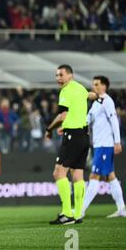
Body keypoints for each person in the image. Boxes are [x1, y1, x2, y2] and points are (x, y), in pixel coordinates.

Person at [44, 64, 90, 225]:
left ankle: (67, 214)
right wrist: (99, 96)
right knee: (77, 175)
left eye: (61, 75)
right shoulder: (80, 88)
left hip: (73, 136)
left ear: (70, 75)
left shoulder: (66, 90)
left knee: (58, 173)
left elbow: (63, 115)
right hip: (84, 136)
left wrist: (49, 128)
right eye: (56, 75)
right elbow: (89, 96)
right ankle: (78, 214)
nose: (58, 79)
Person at [81, 76, 126, 218]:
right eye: (93, 84)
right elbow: (87, 120)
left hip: (105, 145)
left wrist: (117, 142)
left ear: (104, 87)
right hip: (99, 145)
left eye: (96, 84)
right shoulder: (96, 103)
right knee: (110, 177)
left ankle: (80, 210)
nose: (93, 87)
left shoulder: (107, 101)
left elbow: (114, 120)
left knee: (94, 176)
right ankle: (122, 209)